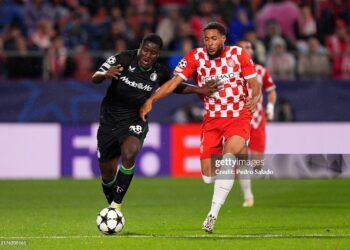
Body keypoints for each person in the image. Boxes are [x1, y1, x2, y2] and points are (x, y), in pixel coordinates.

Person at [139, 22, 260, 233]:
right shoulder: (196, 57)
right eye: (207, 39)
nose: (210, 43)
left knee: (228, 158)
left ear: (223, 38)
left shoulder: (238, 54)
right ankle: (222, 182)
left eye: (214, 38)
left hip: (238, 116)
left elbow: (254, 84)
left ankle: (212, 215)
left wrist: (255, 99)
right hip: (212, 120)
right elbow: (174, 83)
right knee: (207, 176)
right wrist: (152, 99)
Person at [91, 33, 219, 212]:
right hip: (109, 121)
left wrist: (200, 89)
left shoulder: (159, 70)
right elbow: (94, 77)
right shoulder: (123, 59)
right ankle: (112, 206)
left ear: (158, 54)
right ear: (140, 47)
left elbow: (175, 86)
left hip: (135, 118)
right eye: (145, 50)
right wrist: (106, 74)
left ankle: (116, 207)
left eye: (153, 53)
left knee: (129, 154)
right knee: (107, 173)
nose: (147, 55)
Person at [236, 39, 277, 207]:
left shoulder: (261, 71)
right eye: (242, 48)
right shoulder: (230, 72)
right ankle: (248, 196)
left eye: (248, 47)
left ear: (253, 51)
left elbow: (271, 90)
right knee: (242, 159)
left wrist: (270, 106)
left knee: (258, 164)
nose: (246, 50)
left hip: (258, 121)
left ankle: (255, 176)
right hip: (239, 120)